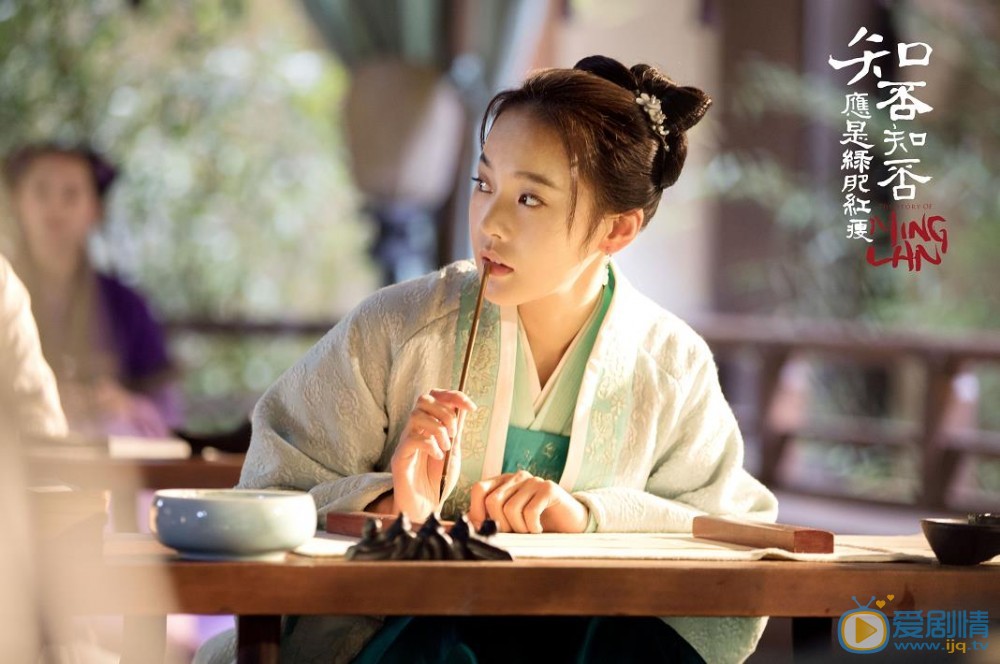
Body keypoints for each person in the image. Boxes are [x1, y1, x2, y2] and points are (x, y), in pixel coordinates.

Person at [198, 55, 778, 664]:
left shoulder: (672, 365)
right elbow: (270, 488)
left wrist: (587, 518)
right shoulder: (397, 327)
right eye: (484, 185)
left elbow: (732, 534)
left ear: (617, 230)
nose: (490, 224)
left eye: (529, 198)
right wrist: (392, 507)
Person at [2, 143, 181, 438]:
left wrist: (125, 404)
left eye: (71, 194)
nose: (55, 207)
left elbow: (169, 415)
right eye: (41, 192)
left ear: (96, 208)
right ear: (17, 202)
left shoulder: (126, 307)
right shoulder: (4, 291)